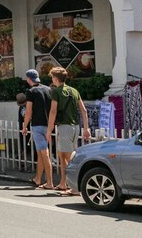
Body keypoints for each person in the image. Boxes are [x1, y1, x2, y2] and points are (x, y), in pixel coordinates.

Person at [46, 67, 90, 195]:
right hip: (75, 127)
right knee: (63, 155)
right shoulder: (74, 91)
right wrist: (86, 128)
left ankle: (75, 187)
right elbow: (84, 110)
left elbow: (53, 112)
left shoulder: (56, 92)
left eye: (52, 77)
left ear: (55, 78)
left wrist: (49, 130)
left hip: (64, 127)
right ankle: (63, 182)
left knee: (67, 158)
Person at [21, 68, 54, 189]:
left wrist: (24, 126)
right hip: (48, 124)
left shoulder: (31, 91)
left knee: (44, 153)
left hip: (37, 125)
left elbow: (28, 111)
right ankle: (38, 178)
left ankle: (49, 182)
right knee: (40, 153)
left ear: (28, 79)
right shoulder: (48, 89)